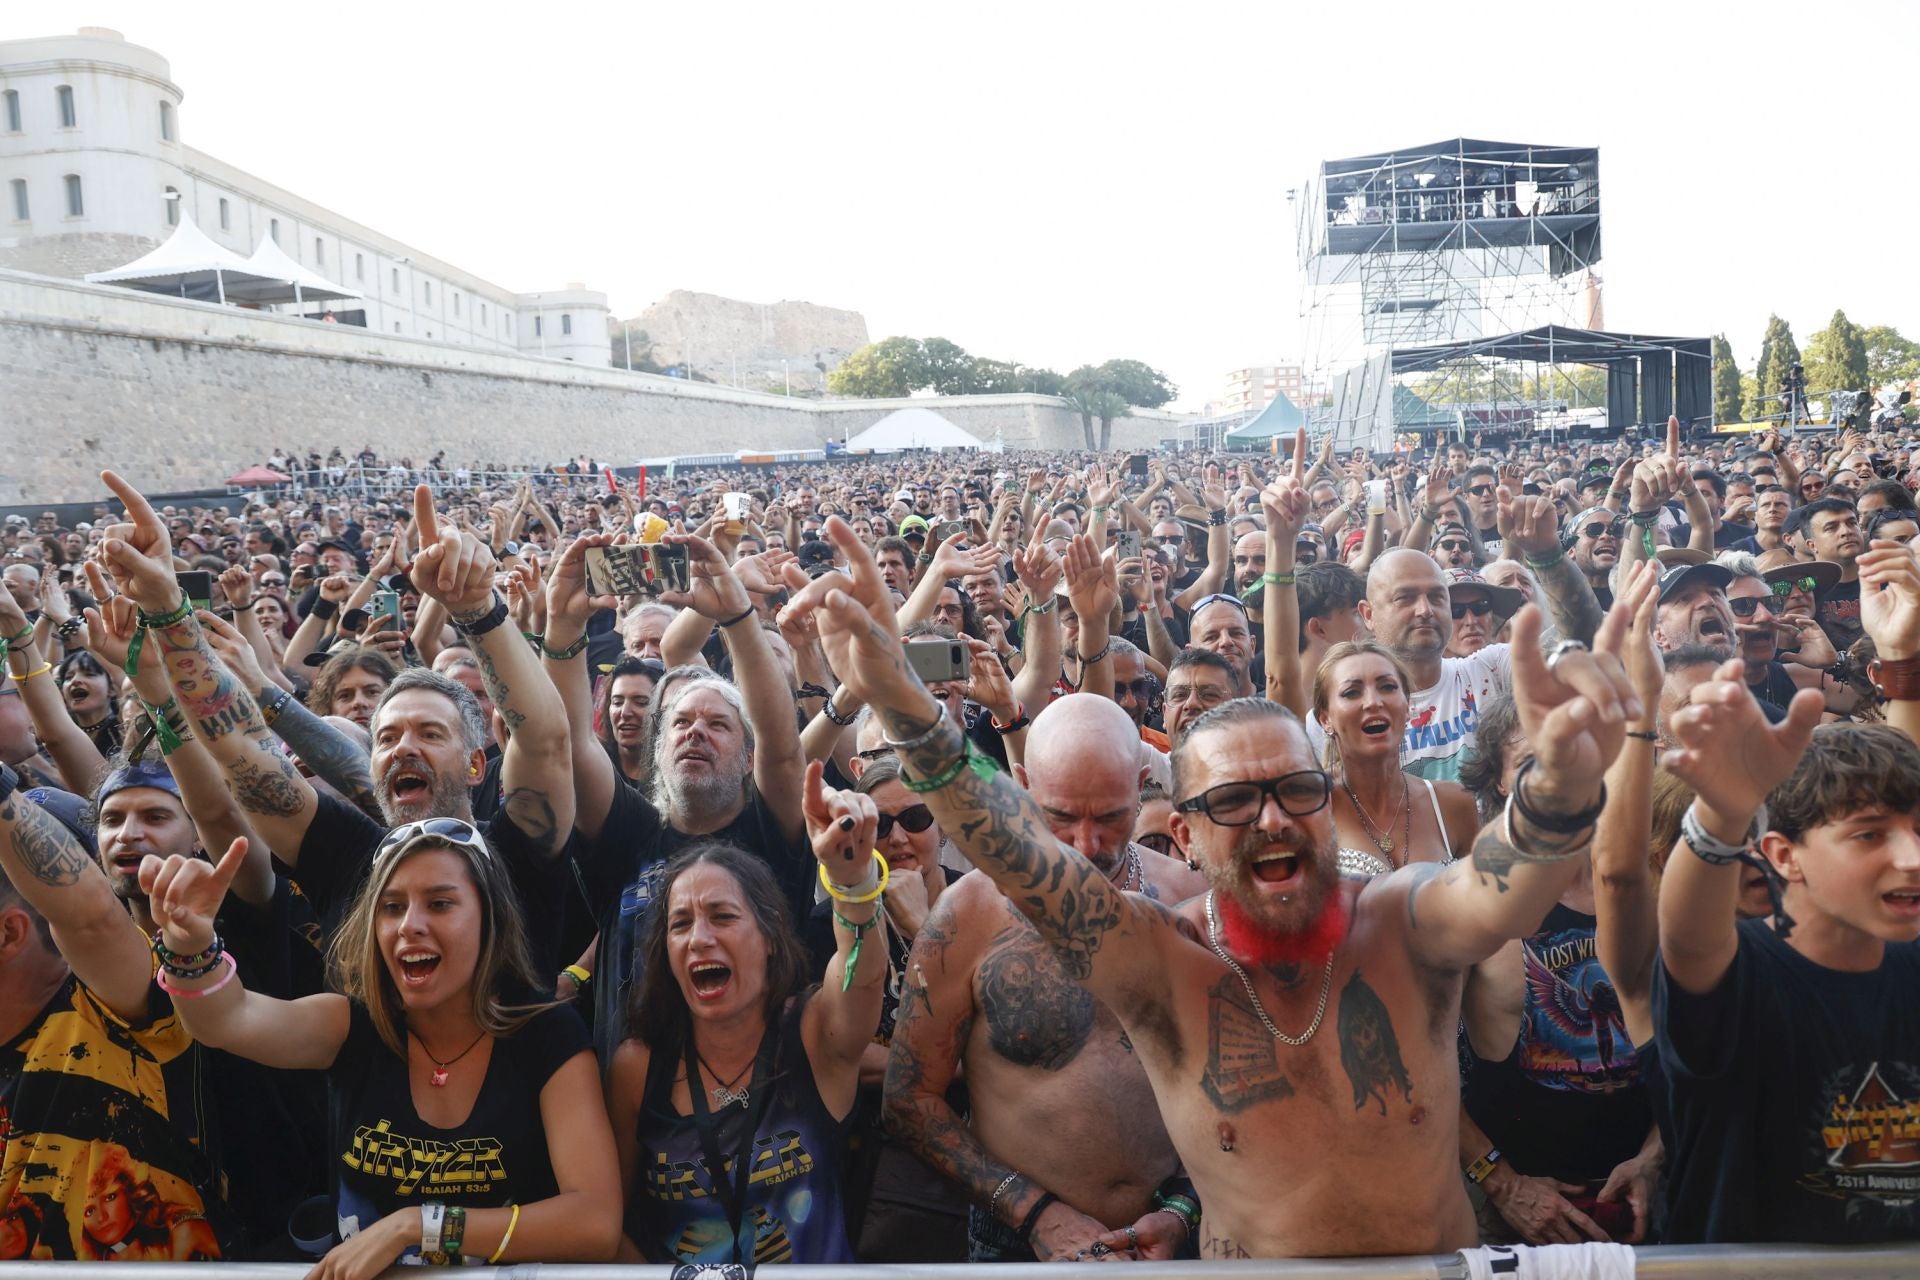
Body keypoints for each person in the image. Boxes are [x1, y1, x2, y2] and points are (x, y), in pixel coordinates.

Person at [787, 514, 1644, 1257]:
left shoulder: (1401, 919)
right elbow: (1015, 854)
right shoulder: (1165, 964)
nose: (1272, 820)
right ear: (1186, 832)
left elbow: (1505, 892)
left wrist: (1556, 797)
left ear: (1327, 796)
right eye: (1235, 800)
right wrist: (900, 697)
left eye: (1296, 791)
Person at [137, 821, 622, 1270]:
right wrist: (189, 945)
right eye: (391, 907)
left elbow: (595, 1223)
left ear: (488, 919)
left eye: (439, 903)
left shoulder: (547, 1035)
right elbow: (227, 1020)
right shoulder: (351, 1025)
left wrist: (417, 1226)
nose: (409, 924)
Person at [885, 694, 1203, 1263]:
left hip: (1177, 1236)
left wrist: (1184, 1206)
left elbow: (1241, 1081)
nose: (1086, 845)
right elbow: (910, 1098)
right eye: (1061, 816)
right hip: (1019, 1242)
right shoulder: (968, 915)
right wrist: (1034, 1213)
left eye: (1109, 816)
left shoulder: (1189, 901)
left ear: (1142, 784)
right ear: (1023, 784)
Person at [607, 761, 886, 1265]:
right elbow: (613, 1220)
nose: (699, 938)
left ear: (771, 934)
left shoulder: (812, 1033)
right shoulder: (638, 1066)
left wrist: (853, 879)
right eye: (680, 924)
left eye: (723, 916)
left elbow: (859, 974)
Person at [1310, 641, 1478, 877]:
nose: (1373, 702)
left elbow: (1481, 904)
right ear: (1325, 719)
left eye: (1387, 687)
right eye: (1352, 692)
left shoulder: (1454, 803)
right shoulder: (1314, 807)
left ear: (1408, 705)